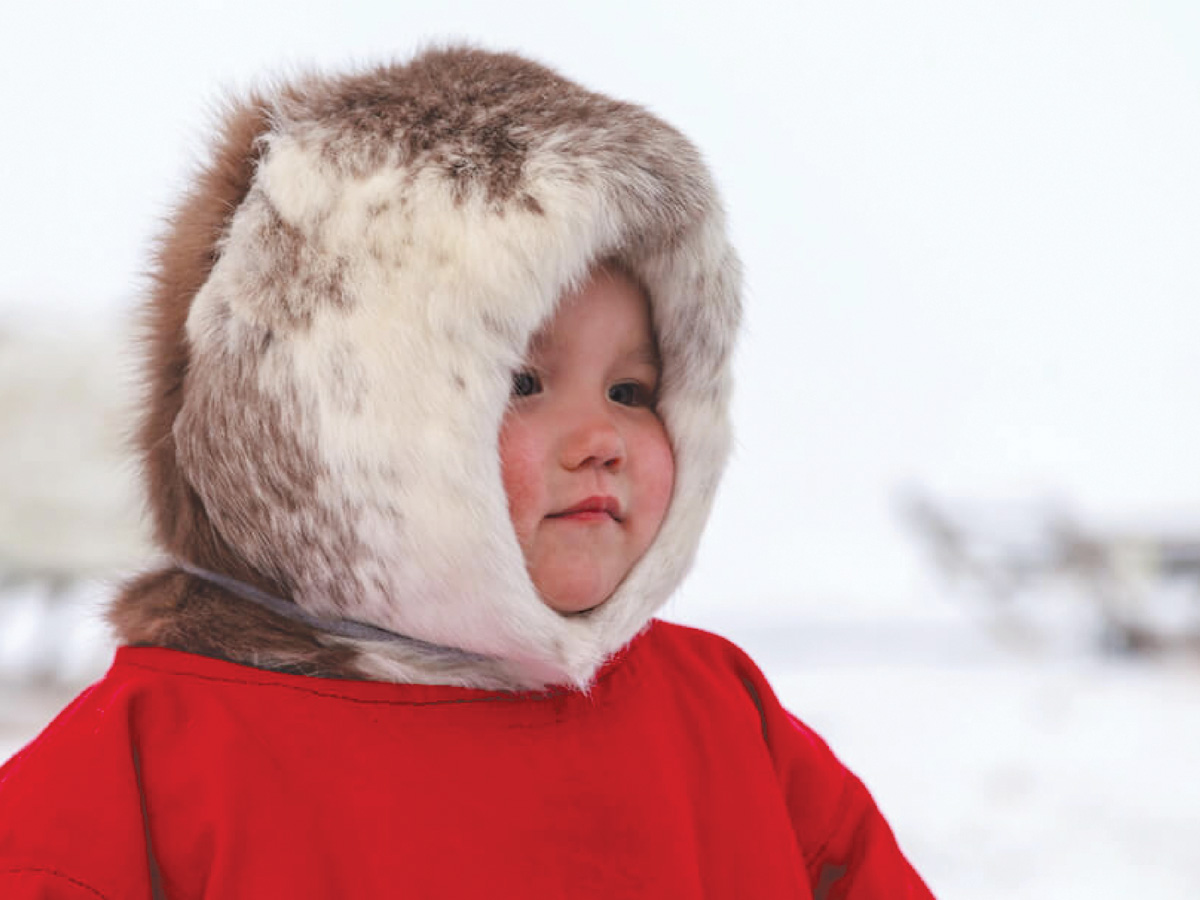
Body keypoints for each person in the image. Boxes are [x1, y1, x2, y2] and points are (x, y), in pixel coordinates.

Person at [0, 47, 934, 898]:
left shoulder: (721, 716)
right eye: (523, 381)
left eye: (632, 390)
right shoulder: (158, 755)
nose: (601, 437)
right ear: (340, 417)